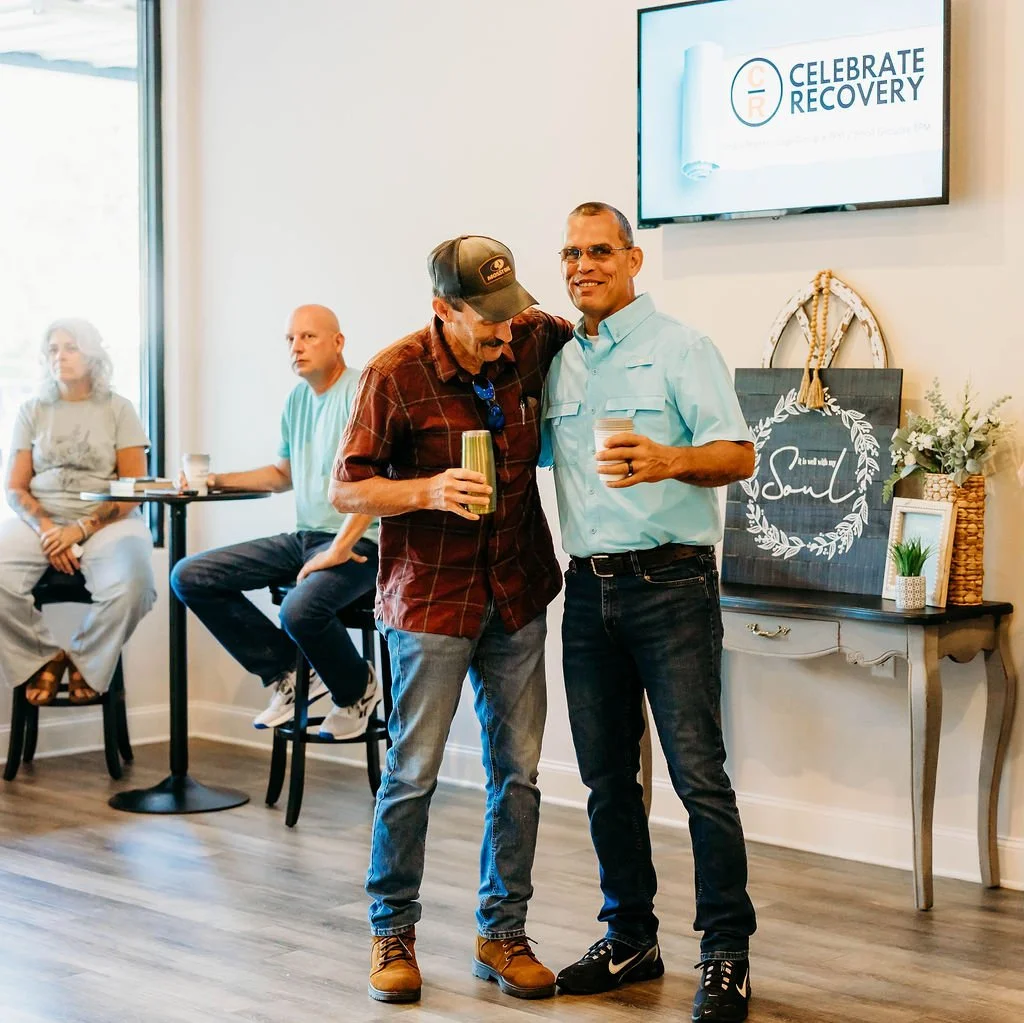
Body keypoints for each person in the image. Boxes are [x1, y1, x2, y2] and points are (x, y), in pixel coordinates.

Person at [330, 236, 573, 1005]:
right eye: (487, 320)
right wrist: (428, 491)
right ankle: (391, 931)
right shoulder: (394, 374)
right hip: (430, 600)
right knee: (412, 773)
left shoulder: (530, 336)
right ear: (443, 309)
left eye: (511, 313)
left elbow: (586, 330)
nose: (506, 331)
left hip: (516, 592)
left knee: (520, 772)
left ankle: (502, 933)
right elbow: (347, 490)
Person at [542, 202, 758, 1023]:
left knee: (699, 777)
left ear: (634, 261)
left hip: (672, 585)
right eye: (570, 251)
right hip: (586, 589)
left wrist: (670, 458)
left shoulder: (681, 349)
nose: (582, 264)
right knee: (604, 778)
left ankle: (726, 952)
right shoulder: (560, 363)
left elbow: (738, 452)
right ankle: (631, 935)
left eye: (599, 250)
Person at [170, 305, 380, 739]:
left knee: (299, 609)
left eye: (308, 337)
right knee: (191, 575)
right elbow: (283, 474)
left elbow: (383, 479)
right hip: (306, 537)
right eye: (290, 339)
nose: (296, 347)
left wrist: (340, 548)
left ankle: (358, 689)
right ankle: (290, 672)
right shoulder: (298, 400)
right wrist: (214, 481)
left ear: (338, 342)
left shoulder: (363, 391)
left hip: (363, 542)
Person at [0, 318, 156, 706]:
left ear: (93, 354)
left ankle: (84, 659)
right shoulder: (32, 409)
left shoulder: (119, 409)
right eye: (53, 349)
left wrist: (82, 529)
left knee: (134, 586)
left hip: (107, 520)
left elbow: (133, 489)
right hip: (43, 519)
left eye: (71, 347)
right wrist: (48, 529)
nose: (60, 357)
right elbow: (15, 487)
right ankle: (44, 656)